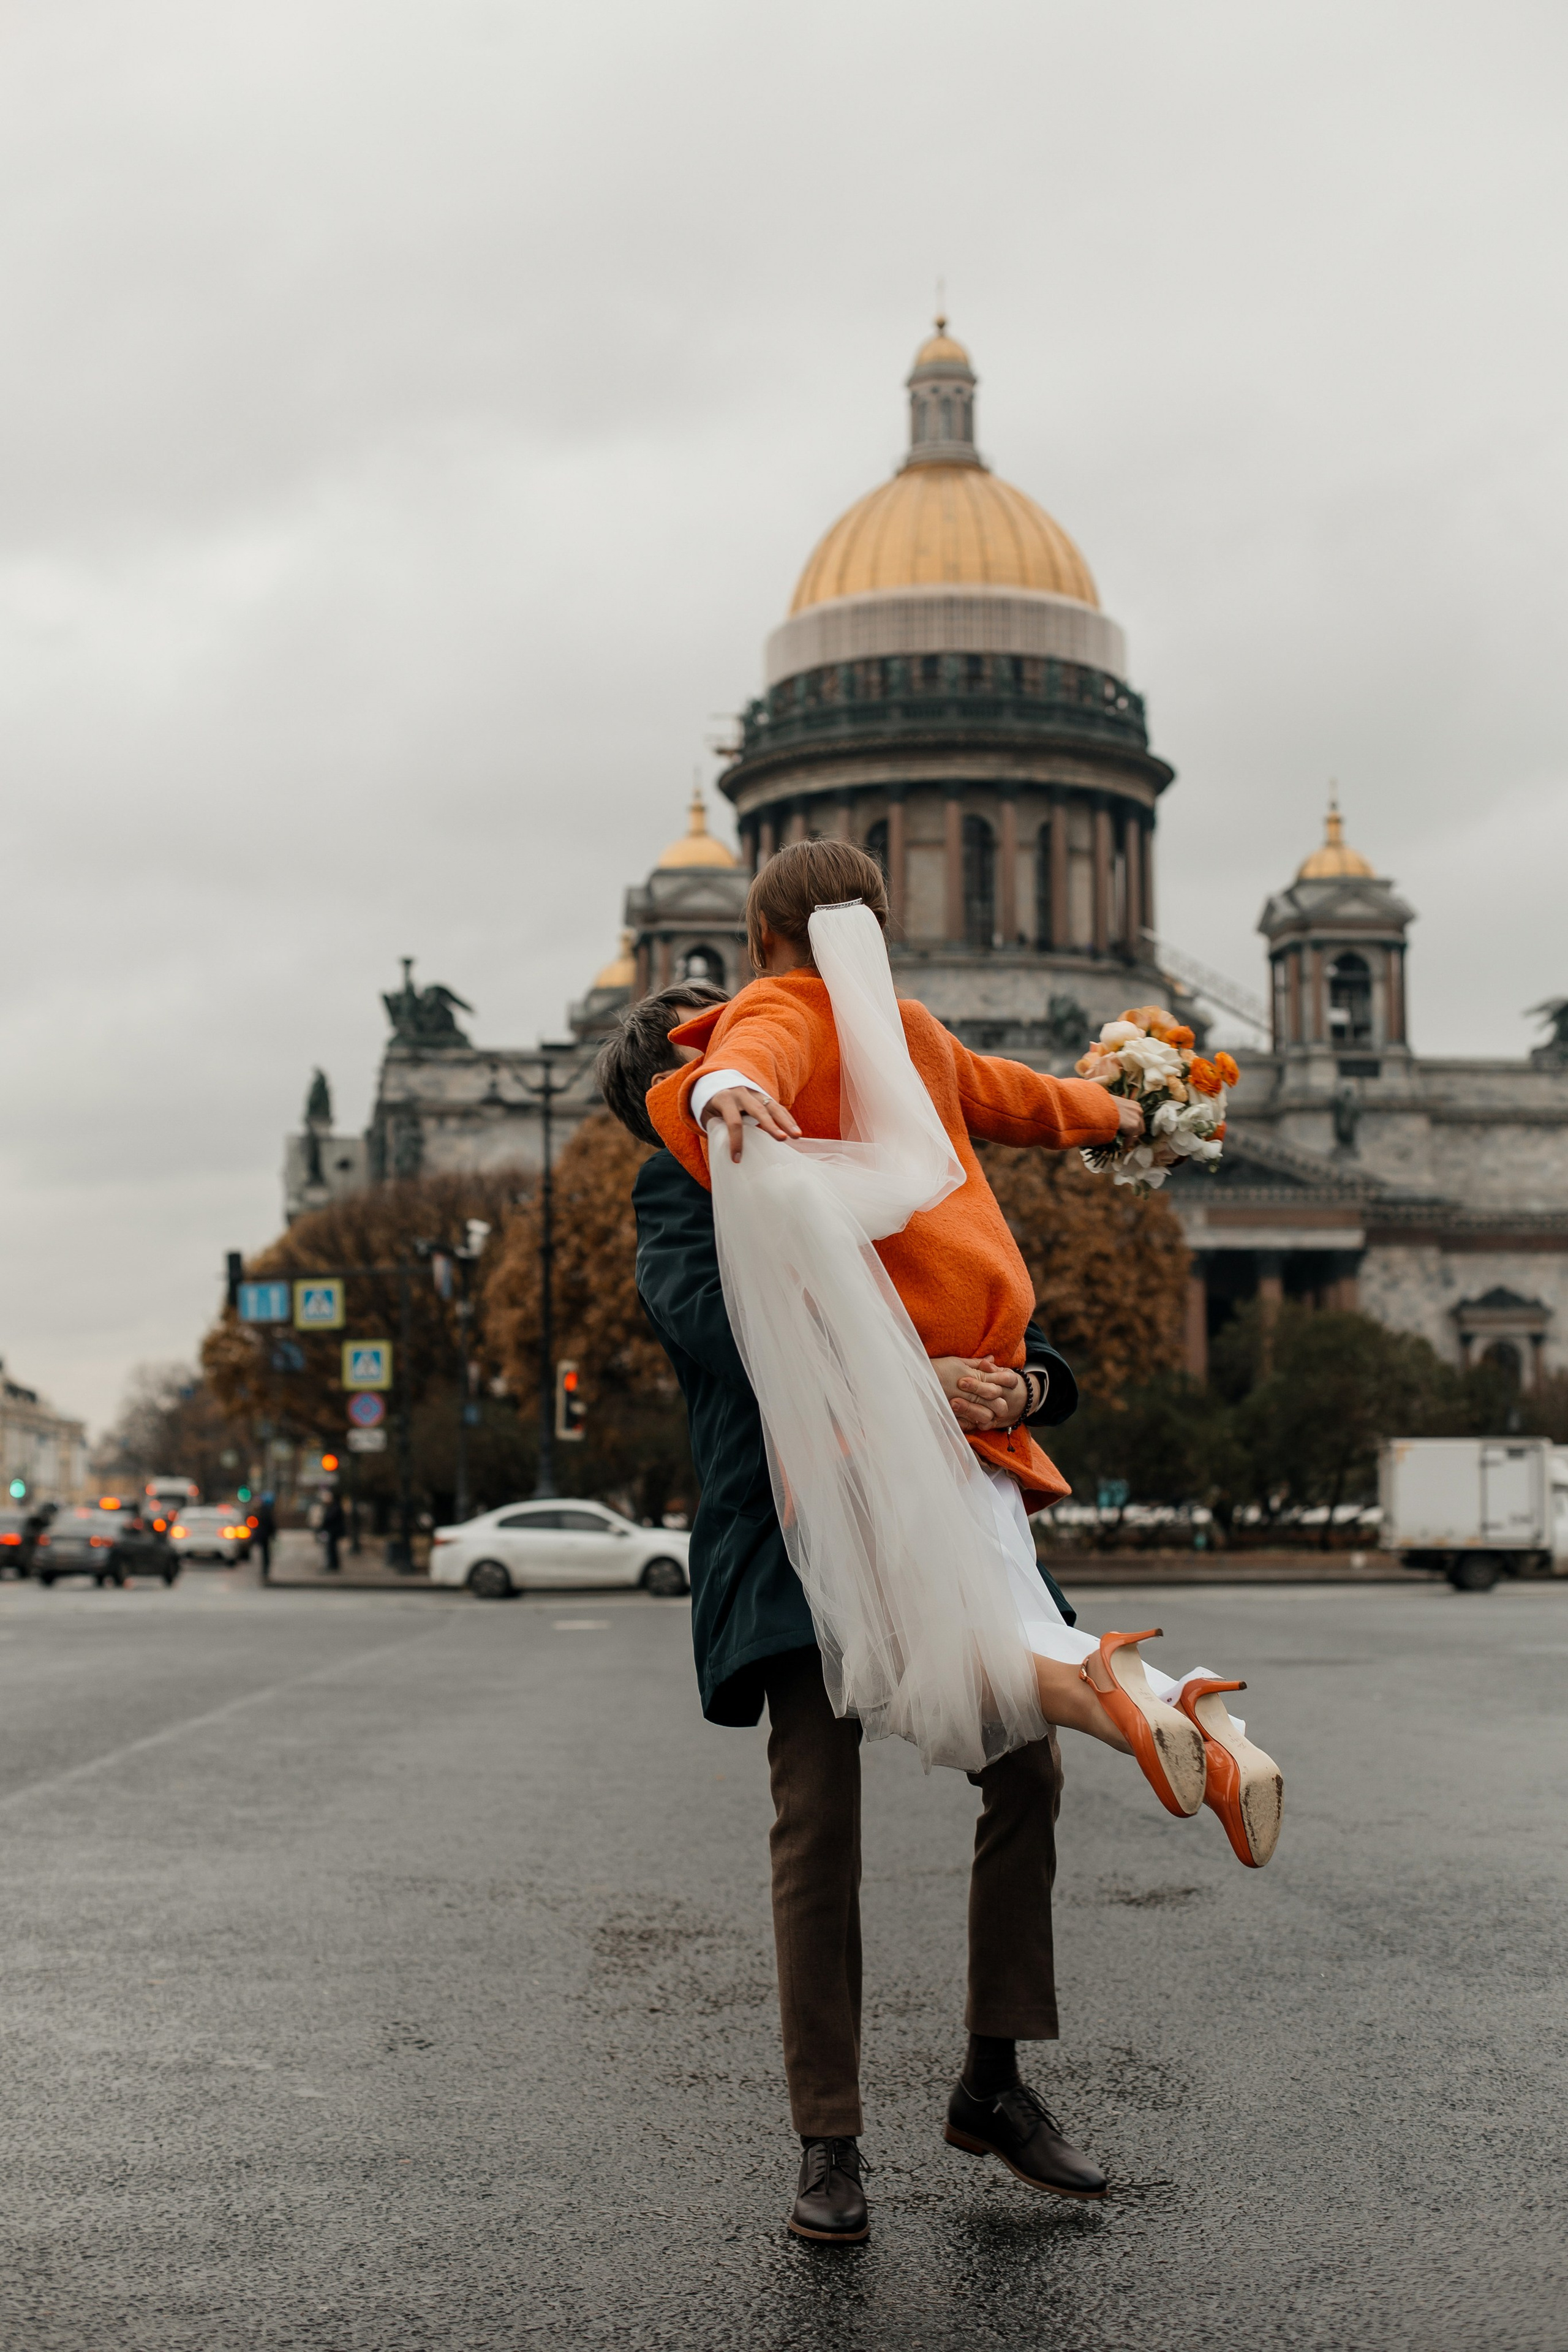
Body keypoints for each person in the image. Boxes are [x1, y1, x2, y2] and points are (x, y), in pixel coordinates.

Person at [601, 982, 1113, 2244]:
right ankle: (827, 2140)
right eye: (713, 1040)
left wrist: (1018, 1382)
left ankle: (991, 2084)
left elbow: (1011, 1312)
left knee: (1031, 1773)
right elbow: (728, 1337)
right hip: (793, 1530)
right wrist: (912, 1380)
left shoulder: (861, 1143)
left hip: (940, 1520)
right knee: (818, 1825)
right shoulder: (679, 1195)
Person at [251, 1493, 277, 1582]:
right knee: (266, 1554)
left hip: (262, 1535)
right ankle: (265, 1572)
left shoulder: (262, 1510)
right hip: (265, 1535)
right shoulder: (266, 1511)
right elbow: (270, 1524)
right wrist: (274, 1533)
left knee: (264, 1554)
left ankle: (265, 1571)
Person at [320, 1487, 345, 1574]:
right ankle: (333, 1564)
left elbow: (329, 1518)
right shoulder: (335, 1507)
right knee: (331, 1548)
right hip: (333, 1531)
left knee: (332, 1548)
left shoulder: (335, 1507)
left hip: (333, 1531)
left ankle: (333, 1565)